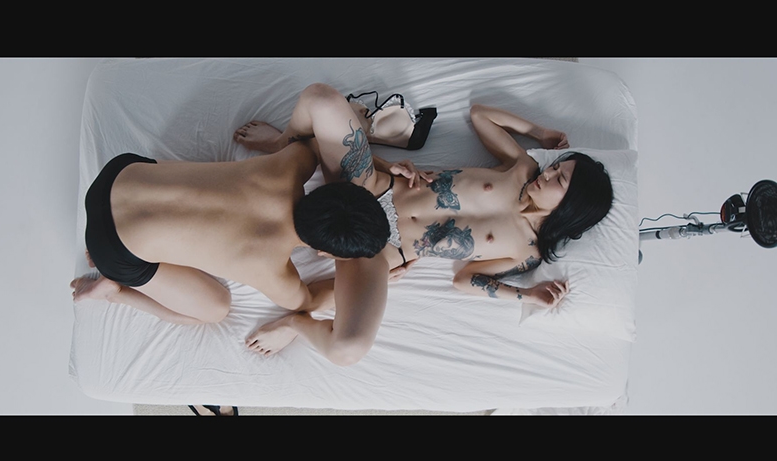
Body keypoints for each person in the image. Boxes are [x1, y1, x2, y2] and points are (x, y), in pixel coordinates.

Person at [235, 83, 613, 364]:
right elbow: (481, 114)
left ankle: (294, 325)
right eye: (556, 167)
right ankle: (281, 143)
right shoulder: (522, 167)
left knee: (347, 349)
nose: (548, 173)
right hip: (372, 185)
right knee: (321, 97)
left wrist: (528, 295)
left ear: (572, 208)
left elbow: (465, 280)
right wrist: (539, 134)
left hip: (380, 249)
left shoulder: (527, 253)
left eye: (560, 180)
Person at [69, 139, 399, 326]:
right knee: (215, 310)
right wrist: (376, 278)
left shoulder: (293, 162)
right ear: (324, 253)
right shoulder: (270, 269)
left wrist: (382, 166)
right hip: (112, 249)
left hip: (119, 174)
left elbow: (322, 142)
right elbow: (308, 301)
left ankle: (114, 250)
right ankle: (113, 291)